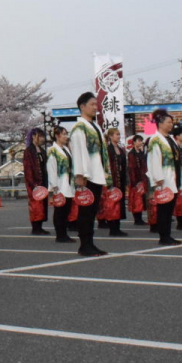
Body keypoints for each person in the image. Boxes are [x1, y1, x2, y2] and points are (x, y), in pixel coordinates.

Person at [69, 92, 112, 257]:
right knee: (85, 212)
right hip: (87, 176)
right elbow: (79, 151)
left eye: (96, 104)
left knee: (92, 212)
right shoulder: (79, 128)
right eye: (92, 104)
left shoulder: (94, 126)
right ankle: (84, 245)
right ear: (82, 106)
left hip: (96, 172)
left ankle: (90, 243)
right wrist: (80, 174)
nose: (96, 107)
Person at [146, 109, 182, 246]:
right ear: (160, 123)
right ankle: (163, 236)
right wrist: (158, 179)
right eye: (168, 122)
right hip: (163, 180)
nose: (171, 125)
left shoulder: (170, 139)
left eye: (171, 122)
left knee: (169, 211)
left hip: (172, 178)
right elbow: (153, 160)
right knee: (163, 210)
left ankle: (168, 235)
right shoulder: (155, 140)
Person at [46, 126, 75, 244]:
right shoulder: (52, 150)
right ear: (57, 136)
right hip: (59, 184)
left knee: (67, 209)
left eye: (66, 134)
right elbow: (51, 168)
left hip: (68, 182)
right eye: (63, 134)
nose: (66, 136)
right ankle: (60, 234)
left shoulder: (66, 149)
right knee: (60, 211)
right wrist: (54, 185)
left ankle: (64, 233)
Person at [98, 127, 128, 238]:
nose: (118, 136)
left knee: (119, 204)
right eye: (116, 134)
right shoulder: (107, 149)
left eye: (119, 134)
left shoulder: (120, 149)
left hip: (120, 180)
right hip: (111, 180)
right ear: (110, 136)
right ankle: (112, 228)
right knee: (111, 204)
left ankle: (118, 227)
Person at [22, 127, 50, 236]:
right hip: (33, 182)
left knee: (43, 203)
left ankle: (40, 226)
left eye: (43, 136)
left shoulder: (42, 151)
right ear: (33, 136)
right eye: (40, 136)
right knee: (35, 205)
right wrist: (32, 182)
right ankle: (35, 227)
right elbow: (28, 168)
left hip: (43, 181)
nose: (42, 139)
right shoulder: (29, 151)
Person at [127, 134, 147, 226]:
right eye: (139, 140)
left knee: (141, 200)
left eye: (141, 141)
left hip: (142, 178)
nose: (141, 142)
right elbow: (132, 168)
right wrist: (135, 181)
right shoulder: (131, 153)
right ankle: (137, 219)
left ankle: (140, 218)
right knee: (136, 200)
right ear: (134, 142)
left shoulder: (141, 153)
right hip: (135, 180)